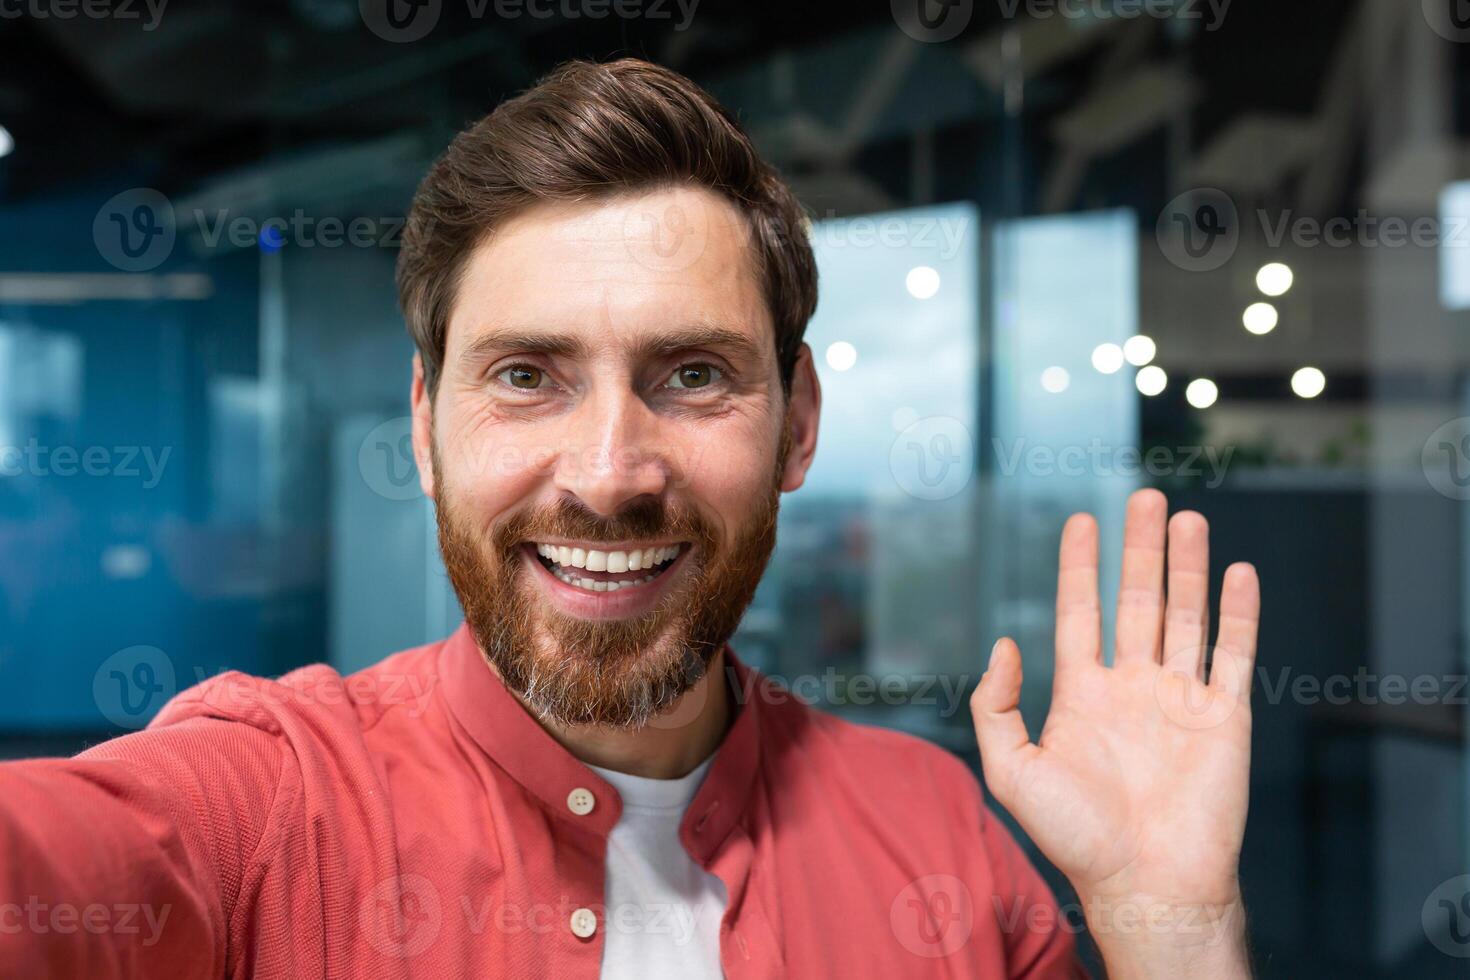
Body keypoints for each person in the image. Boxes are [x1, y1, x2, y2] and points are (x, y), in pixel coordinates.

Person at [0, 58, 1259, 978]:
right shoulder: (266, 803)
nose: (610, 472)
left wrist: (1169, 918)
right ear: (428, 429)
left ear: (799, 423)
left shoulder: (939, 841)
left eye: (694, 374)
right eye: (527, 375)